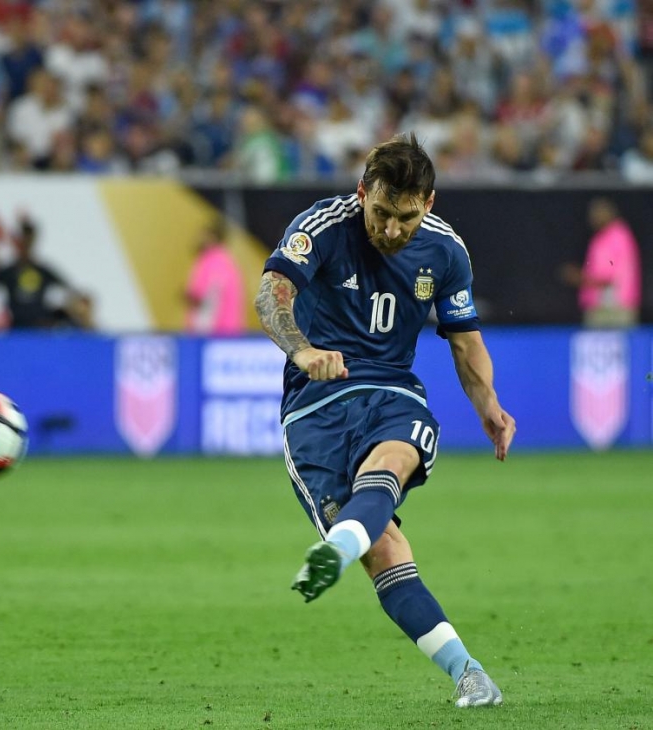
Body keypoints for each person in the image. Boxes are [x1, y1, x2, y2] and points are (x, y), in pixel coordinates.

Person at [254, 133, 515, 708]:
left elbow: (465, 342)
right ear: (361, 193)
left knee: (395, 458)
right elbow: (271, 294)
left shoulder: (446, 251)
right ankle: (468, 670)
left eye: (406, 217)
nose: (392, 230)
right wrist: (300, 349)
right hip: (314, 406)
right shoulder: (322, 226)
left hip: (392, 391)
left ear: (429, 203)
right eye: (380, 213)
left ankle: (340, 547)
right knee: (385, 549)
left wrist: (488, 405)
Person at [0, 217, 93, 331]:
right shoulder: (7, 272)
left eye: (29, 240)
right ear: (17, 242)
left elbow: (74, 293)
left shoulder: (43, 271)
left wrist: (82, 311)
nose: (26, 244)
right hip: (14, 328)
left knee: (66, 315)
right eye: (23, 240)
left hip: (40, 328)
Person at [559, 198, 641, 328]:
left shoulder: (619, 237)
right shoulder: (599, 238)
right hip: (599, 306)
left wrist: (578, 278)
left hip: (616, 309)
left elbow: (609, 277)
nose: (592, 218)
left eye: (596, 214)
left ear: (608, 214)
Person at [184, 218, 246, 335]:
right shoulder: (228, 261)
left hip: (212, 334)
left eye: (203, 235)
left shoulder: (211, 262)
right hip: (230, 332)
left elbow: (207, 298)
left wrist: (188, 296)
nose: (198, 239)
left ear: (212, 237)